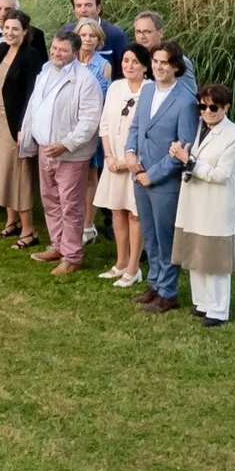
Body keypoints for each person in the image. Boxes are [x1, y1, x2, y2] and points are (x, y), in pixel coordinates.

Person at [20, 29, 102, 273]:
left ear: (75, 53)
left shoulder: (85, 80)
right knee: (50, 200)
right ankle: (57, 244)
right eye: (55, 48)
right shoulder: (45, 71)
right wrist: (30, 136)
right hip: (46, 148)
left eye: (63, 50)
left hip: (70, 153)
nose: (57, 53)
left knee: (71, 205)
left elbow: (89, 120)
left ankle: (73, 256)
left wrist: (66, 143)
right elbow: (35, 106)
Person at [129, 43, 202, 315]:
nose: (159, 67)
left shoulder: (185, 100)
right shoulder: (147, 90)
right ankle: (155, 284)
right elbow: (137, 126)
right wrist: (129, 152)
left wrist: (153, 174)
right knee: (150, 236)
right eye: (156, 61)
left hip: (164, 181)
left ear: (176, 67)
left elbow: (183, 147)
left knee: (165, 237)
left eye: (165, 63)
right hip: (140, 173)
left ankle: (168, 292)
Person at [176, 83, 235, 326]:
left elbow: (222, 174)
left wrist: (190, 162)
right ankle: (202, 302)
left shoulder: (232, 135)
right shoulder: (199, 128)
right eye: (202, 106)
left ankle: (218, 309)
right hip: (195, 200)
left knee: (214, 257)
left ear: (226, 108)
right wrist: (183, 155)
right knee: (196, 251)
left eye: (213, 107)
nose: (206, 111)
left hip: (215, 204)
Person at [0, 9, 49, 248]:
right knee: (2, 170)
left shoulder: (31, 57)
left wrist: (23, 126)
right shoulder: (1, 50)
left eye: (15, 29)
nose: (10, 32)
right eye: (7, 28)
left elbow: (32, 94)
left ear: (25, 32)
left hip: (16, 123)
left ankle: (30, 230)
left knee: (18, 174)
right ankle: (12, 222)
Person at [96, 43, 151, 288]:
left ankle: (134, 267)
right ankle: (120, 261)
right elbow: (106, 123)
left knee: (135, 213)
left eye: (135, 62)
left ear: (145, 66)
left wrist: (129, 161)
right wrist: (109, 156)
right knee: (116, 210)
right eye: (126, 60)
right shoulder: (116, 87)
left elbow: (148, 131)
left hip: (136, 162)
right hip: (113, 160)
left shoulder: (150, 91)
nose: (129, 66)